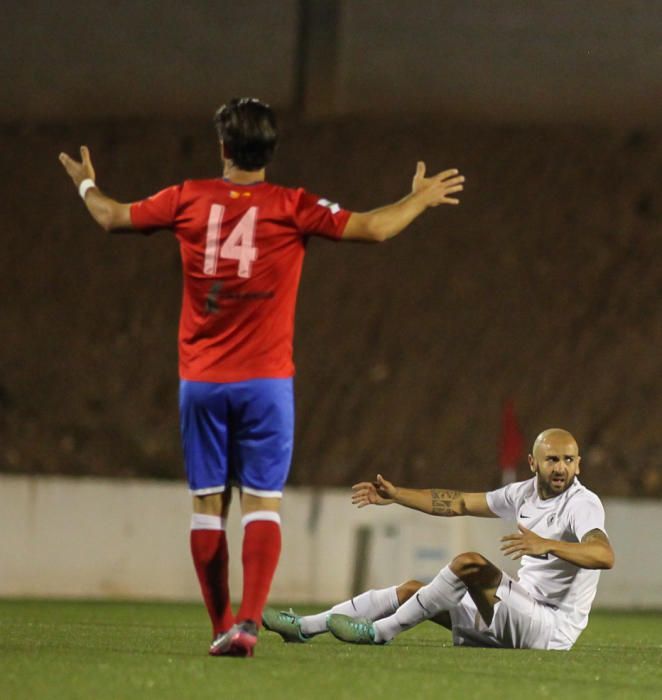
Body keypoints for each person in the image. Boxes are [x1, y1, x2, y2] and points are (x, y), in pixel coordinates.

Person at [58, 97, 465, 658]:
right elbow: (373, 228)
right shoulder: (291, 205)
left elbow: (110, 216)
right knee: (262, 503)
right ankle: (250, 620)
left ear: (223, 147)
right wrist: (418, 199)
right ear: (271, 151)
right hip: (266, 385)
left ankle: (222, 625)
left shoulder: (186, 198)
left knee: (207, 506)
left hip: (201, 381)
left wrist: (85, 184)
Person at [263, 428, 614, 651]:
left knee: (470, 564)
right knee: (412, 590)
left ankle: (378, 633)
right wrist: (398, 494)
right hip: (516, 615)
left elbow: (603, 554)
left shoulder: (582, 504)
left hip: (550, 629)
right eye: (552, 459)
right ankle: (306, 628)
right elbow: (458, 502)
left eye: (568, 460)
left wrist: (548, 544)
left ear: (578, 465)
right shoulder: (523, 493)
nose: (560, 467)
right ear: (533, 462)